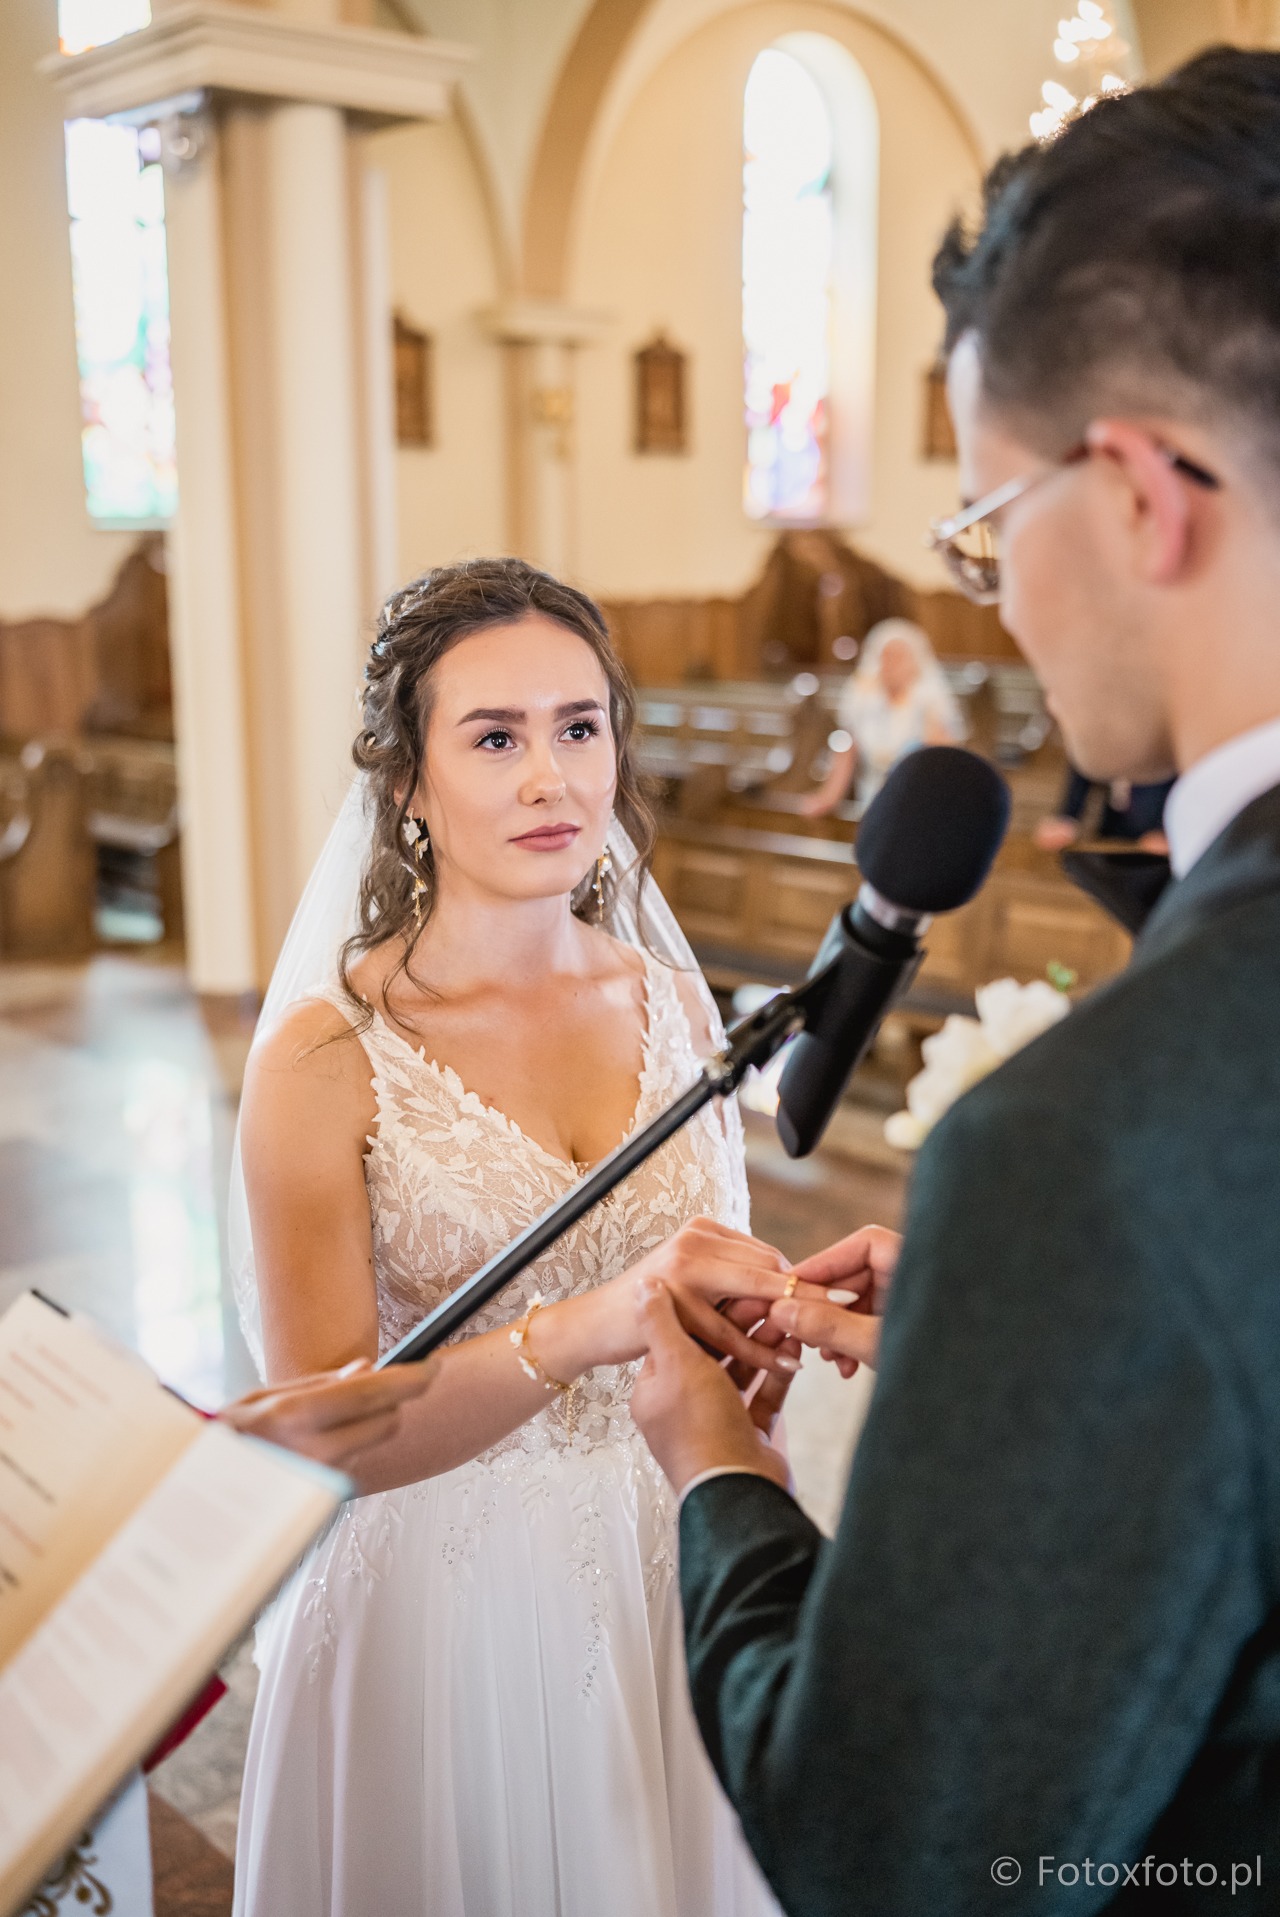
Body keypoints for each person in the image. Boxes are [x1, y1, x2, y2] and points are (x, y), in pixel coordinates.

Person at [629, 48, 1280, 1914]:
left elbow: (909, 1853)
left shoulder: (1089, 1148)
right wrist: (1021, 1329)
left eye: (989, 526)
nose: (992, 592)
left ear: (1144, 492)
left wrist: (707, 1468)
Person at [227, 557, 863, 1917]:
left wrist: (769, 1325)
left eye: (580, 728)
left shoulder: (682, 1004)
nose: (551, 779)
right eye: (495, 737)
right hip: (449, 1602)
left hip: (675, 1542)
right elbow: (319, 1434)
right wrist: (589, 1323)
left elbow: (705, 1289)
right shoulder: (328, 1061)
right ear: (404, 780)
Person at [800, 617, 965, 816]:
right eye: (886, 656)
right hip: (870, 796)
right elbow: (846, 750)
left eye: (898, 657)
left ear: (914, 661)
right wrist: (828, 797)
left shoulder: (929, 703)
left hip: (916, 800)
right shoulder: (863, 700)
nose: (891, 664)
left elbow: (940, 760)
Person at [1034, 765, 1172, 852]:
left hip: (1161, 835)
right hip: (1113, 828)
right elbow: (1083, 766)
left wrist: (1165, 830)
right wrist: (1067, 817)